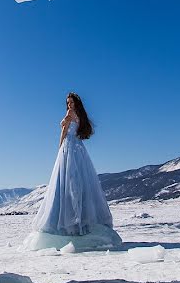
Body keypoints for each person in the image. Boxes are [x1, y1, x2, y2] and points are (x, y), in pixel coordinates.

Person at [31, 92, 118, 241]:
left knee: (67, 180)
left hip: (69, 146)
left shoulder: (70, 113)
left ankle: (67, 221)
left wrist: (59, 148)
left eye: (71, 102)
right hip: (79, 147)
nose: (69, 105)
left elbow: (64, 131)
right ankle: (83, 219)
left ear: (75, 103)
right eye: (68, 103)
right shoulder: (80, 115)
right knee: (80, 181)